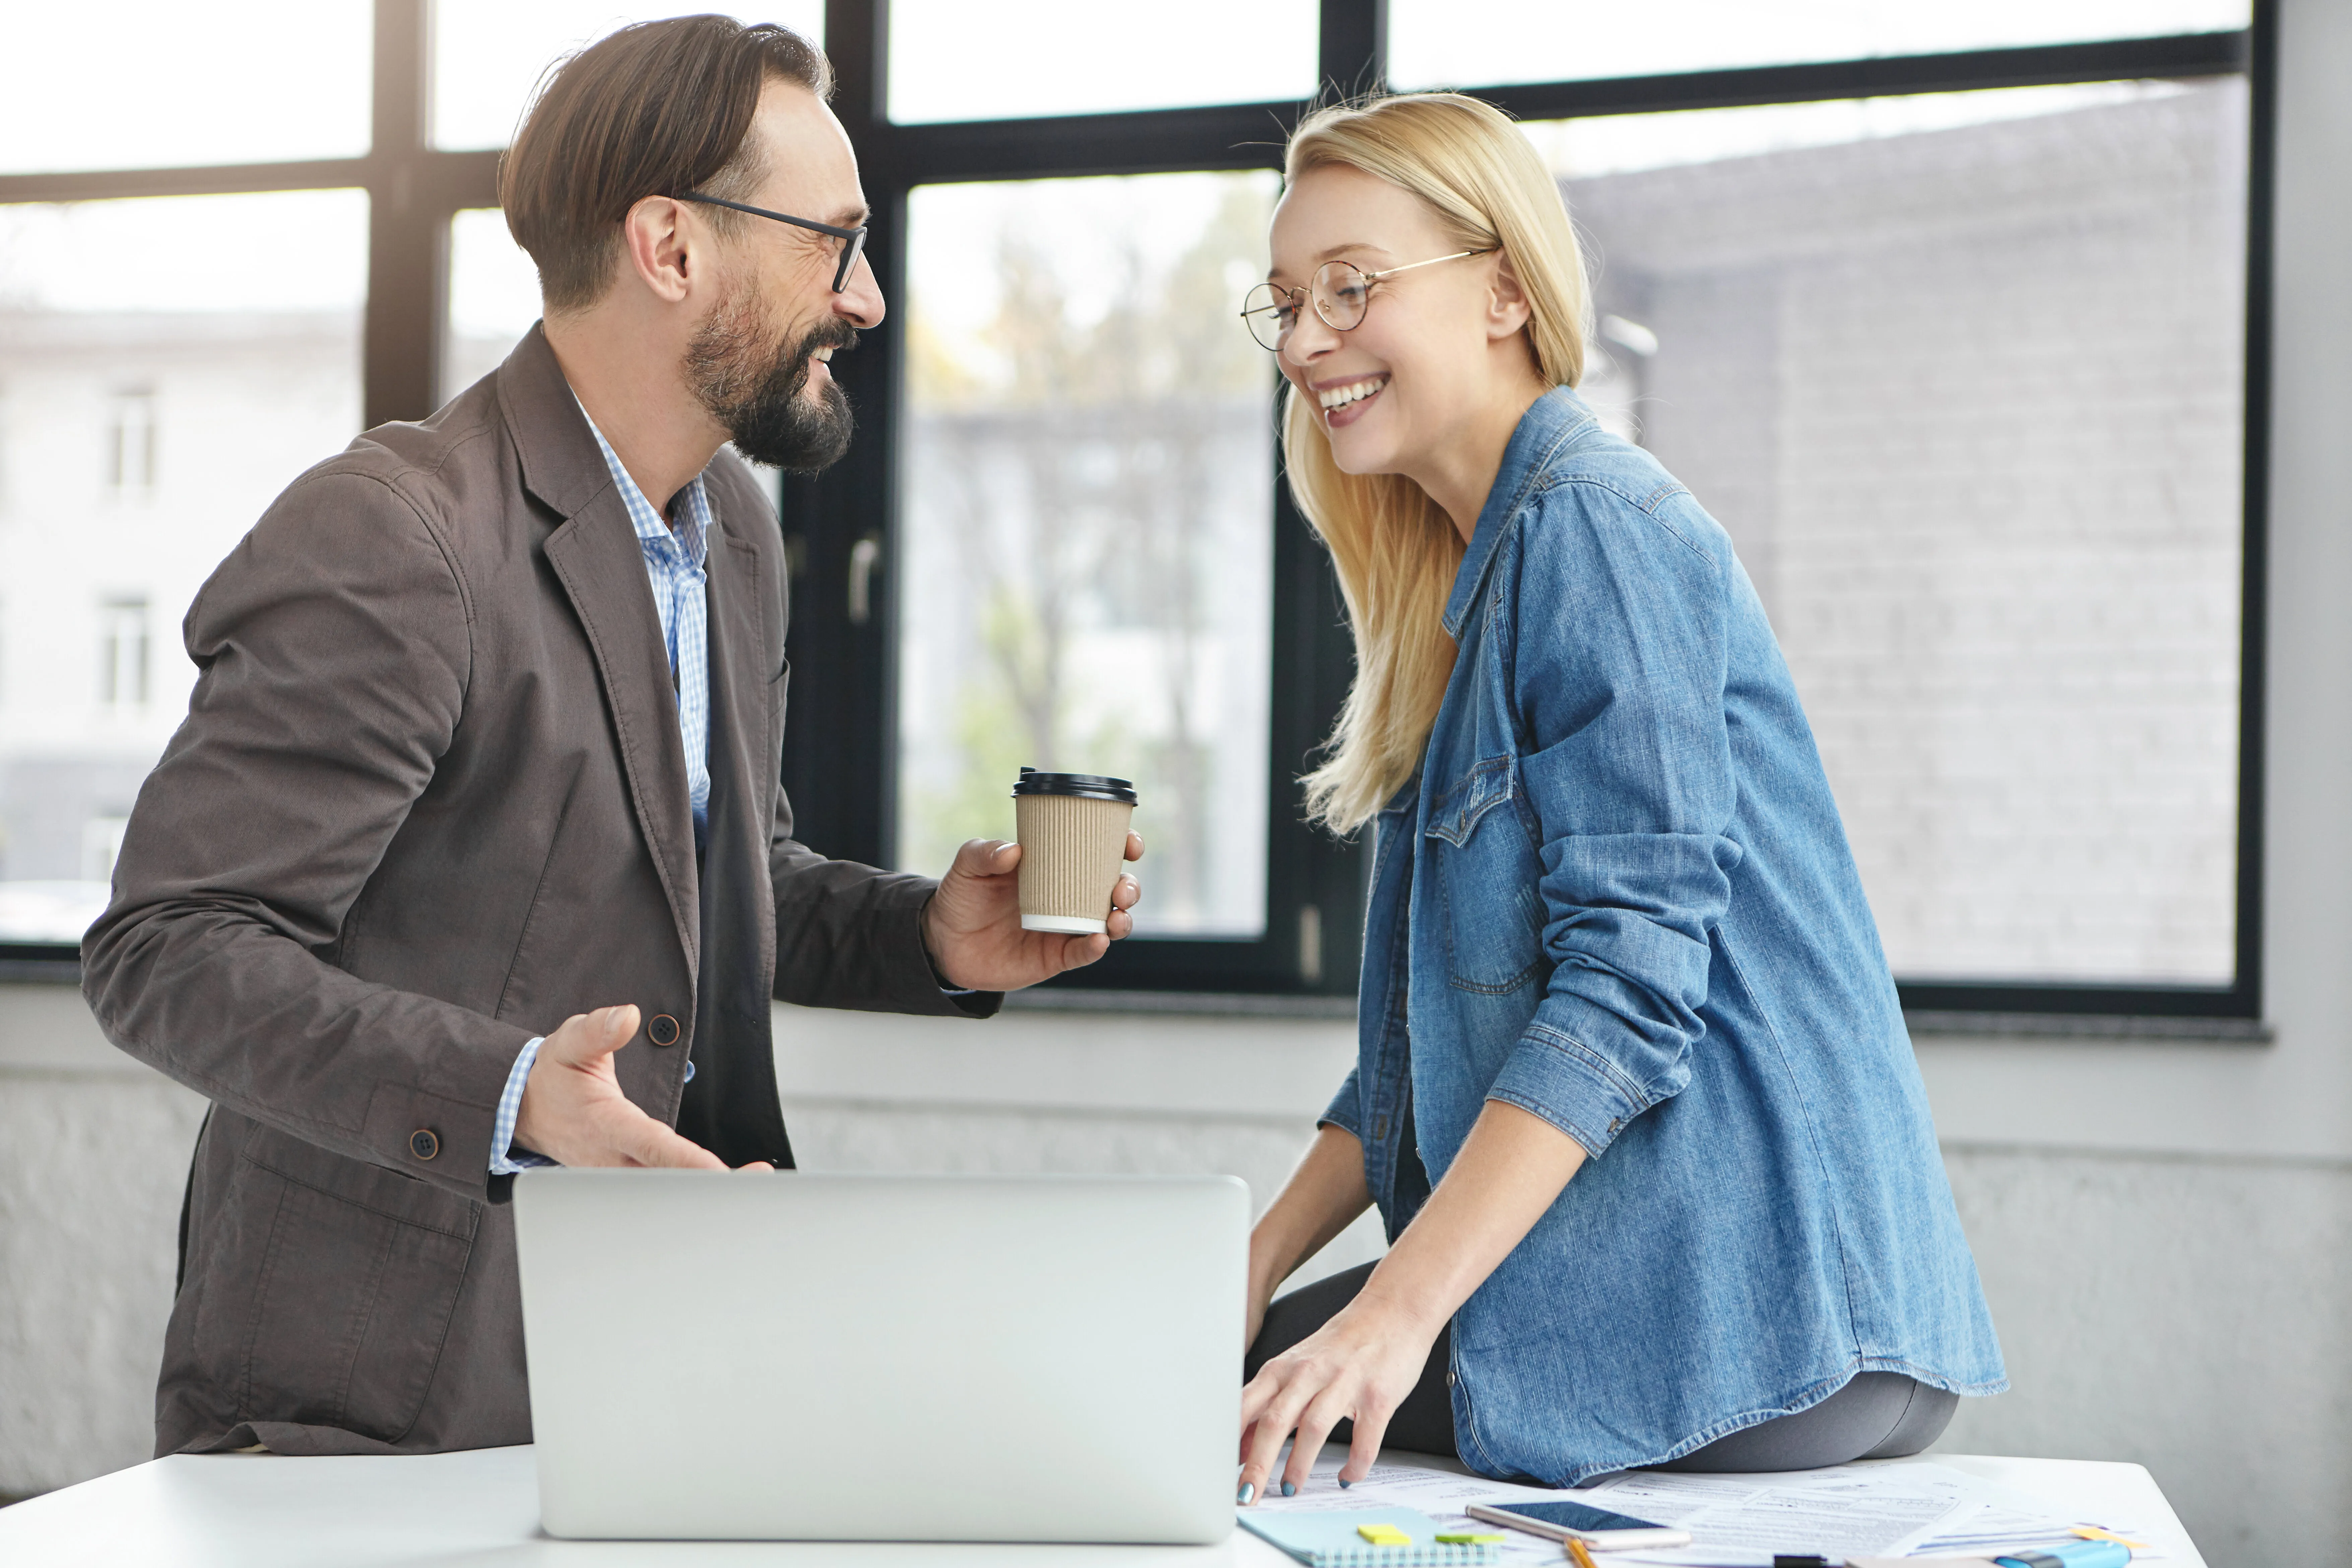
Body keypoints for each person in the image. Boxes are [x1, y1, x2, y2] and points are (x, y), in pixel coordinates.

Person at [79, 17, 1140, 1459]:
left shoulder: (733, 537)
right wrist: (515, 1094)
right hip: (372, 1396)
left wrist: (929, 939)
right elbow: (171, 948)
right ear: (671, 247)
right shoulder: (396, 536)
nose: (868, 298)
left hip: (654, 1363)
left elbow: (704, 879)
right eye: (835, 243)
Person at [1232, 93, 2005, 1502]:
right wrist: (1247, 1268)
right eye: (1284, 303)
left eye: (1351, 286)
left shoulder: (1590, 524)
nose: (1302, 341)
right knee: (1199, 1351)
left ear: (1504, 293)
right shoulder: (1477, 589)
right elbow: (1413, 1056)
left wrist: (1392, 1317)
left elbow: (1629, 990)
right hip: (1719, 1304)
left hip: (1763, 1314)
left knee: (1201, 1391)